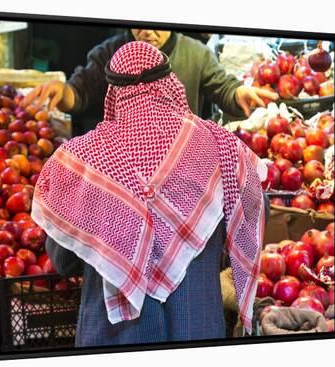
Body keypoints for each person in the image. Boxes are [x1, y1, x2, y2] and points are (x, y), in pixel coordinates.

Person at [31, 41, 269, 347]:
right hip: (197, 329)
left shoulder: (82, 160)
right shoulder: (220, 145)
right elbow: (255, 212)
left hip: (113, 339)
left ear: (113, 92)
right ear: (171, 83)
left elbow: (63, 261)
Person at [23, 29, 278, 135]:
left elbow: (224, 87)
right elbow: (81, 91)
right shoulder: (109, 52)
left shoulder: (196, 54)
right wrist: (63, 92)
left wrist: (238, 94)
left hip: (182, 162)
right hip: (125, 167)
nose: (147, 32)